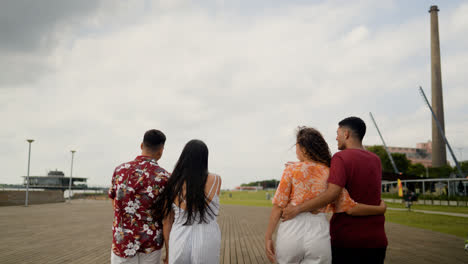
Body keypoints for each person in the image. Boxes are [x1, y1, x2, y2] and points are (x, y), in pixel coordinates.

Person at [264, 126, 386, 264]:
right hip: (319, 234)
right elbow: (350, 207)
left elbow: (278, 206)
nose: (296, 151)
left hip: (291, 230)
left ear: (303, 149)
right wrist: (380, 209)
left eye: (297, 146)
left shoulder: (291, 170)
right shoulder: (330, 173)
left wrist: (268, 237)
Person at [108, 129, 170, 264]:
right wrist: (169, 252)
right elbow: (167, 217)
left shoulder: (120, 170)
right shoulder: (165, 177)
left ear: (141, 145)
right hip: (151, 243)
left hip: (123, 241)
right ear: (161, 150)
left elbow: (113, 200)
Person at [156, 139, 221, 264]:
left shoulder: (172, 183)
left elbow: (167, 222)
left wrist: (168, 253)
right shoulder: (216, 180)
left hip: (178, 240)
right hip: (207, 240)